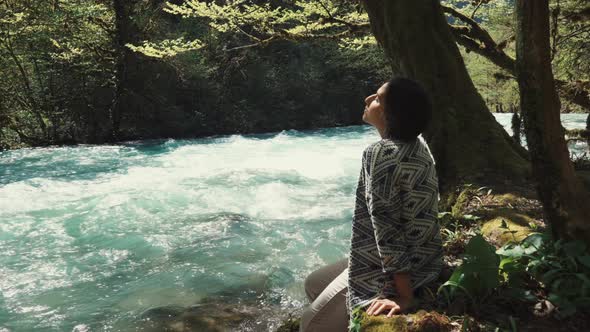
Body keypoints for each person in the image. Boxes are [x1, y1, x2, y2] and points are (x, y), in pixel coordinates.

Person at [299, 77, 444, 332]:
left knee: (309, 325)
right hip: (426, 261)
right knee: (313, 283)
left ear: (392, 114)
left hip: (393, 273)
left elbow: (387, 229)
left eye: (377, 98)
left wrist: (404, 295)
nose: (368, 99)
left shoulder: (380, 154)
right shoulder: (417, 146)